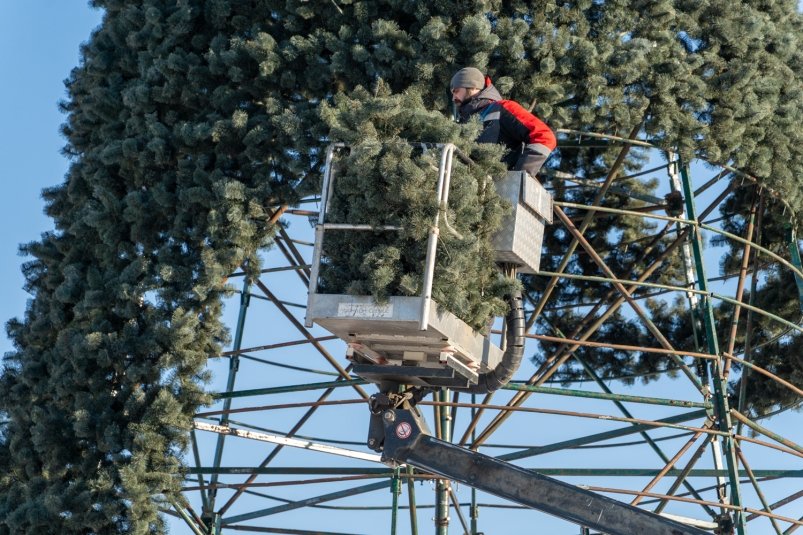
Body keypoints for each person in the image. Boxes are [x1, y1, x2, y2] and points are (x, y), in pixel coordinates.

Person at [450, 67, 556, 177]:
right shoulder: (463, 123)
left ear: (472, 86)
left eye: (456, 91)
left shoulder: (502, 108)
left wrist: (518, 177)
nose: (453, 98)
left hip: (501, 188)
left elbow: (544, 136)